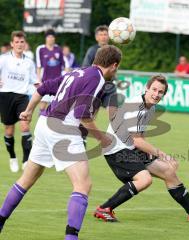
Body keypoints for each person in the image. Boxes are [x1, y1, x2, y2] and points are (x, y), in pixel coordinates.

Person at [0, 45, 122, 240]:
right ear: (114, 65)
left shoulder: (77, 71)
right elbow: (83, 116)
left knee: (26, 180)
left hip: (44, 124)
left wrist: (29, 111)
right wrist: (102, 138)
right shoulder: (97, 78)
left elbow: (44, 88)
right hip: (63, 130)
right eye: (117, 68)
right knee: (83, 185)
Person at [94, 75, 189, 224]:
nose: (156, 94)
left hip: (130, 147)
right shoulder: (136, 106)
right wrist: (164, 156)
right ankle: (104, 208)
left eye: (160, 92)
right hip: (116, 150)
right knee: (145, 179)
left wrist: (154, 156)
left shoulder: (151, 107)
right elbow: (137, 140)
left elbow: (140, 136)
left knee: (168, 171)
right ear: (146, 89)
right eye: (154, 89)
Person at [0, 31, 37, 172]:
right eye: (17, 42)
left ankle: (26, 160)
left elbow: (34, 81)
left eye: (22, 42)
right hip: (5, 96)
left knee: (25, 126)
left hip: (22, 97)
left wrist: (43, 87)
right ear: (12, 44)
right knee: (9, 130)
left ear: (25, 43)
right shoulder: (3, 59)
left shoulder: (29, 62)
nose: (20, 44)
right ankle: (12, 157)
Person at [36, 29, 69, 112]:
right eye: (49, 37)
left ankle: (51, 123)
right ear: (46, 38)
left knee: (55, 106)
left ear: (54, 38)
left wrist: (66, 77)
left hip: (57, 82)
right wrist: (39, 80)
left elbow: (65, 65)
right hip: (45, 81)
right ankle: (41, 122)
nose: (50, 39)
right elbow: (39, 66)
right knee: (42, 106)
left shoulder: (58, 49)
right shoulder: (40, 49)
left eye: (52, 37)